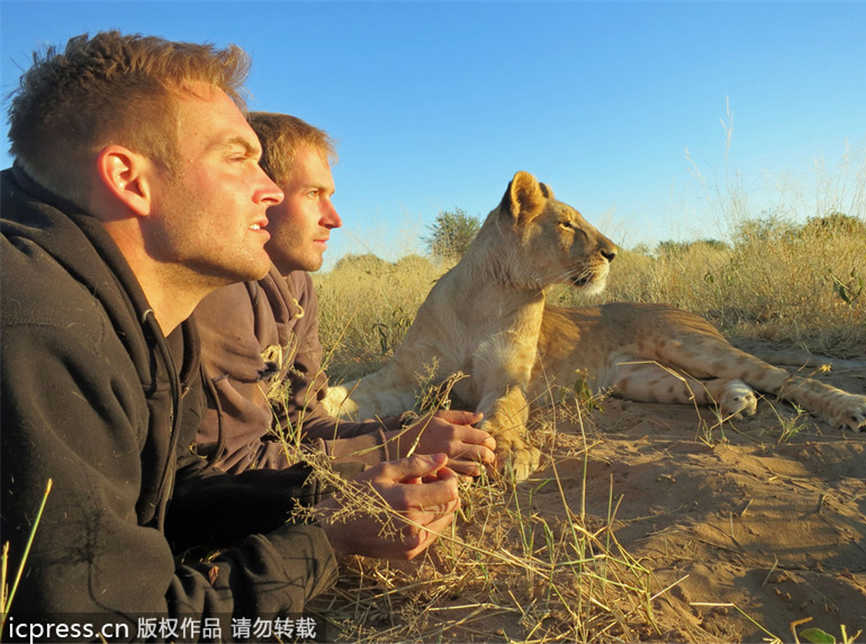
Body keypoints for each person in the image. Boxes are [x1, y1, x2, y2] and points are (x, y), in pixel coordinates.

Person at [1, 31, 458, 623]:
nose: (268, 190)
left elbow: (168, 497)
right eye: (237, 158)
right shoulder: (36, 330)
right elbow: (96, 626)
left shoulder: (150, 309)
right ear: (130, 178)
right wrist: (328, 543)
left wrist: (332, 501)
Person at [192, 111, 497, 477]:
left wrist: (405, 431)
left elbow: (301, 423)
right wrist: (393, 449)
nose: (335, 219)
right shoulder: (221, 291)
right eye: (312, 194)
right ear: (262, 193)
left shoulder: (297, 283)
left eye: (330, 195)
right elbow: (228, 465)